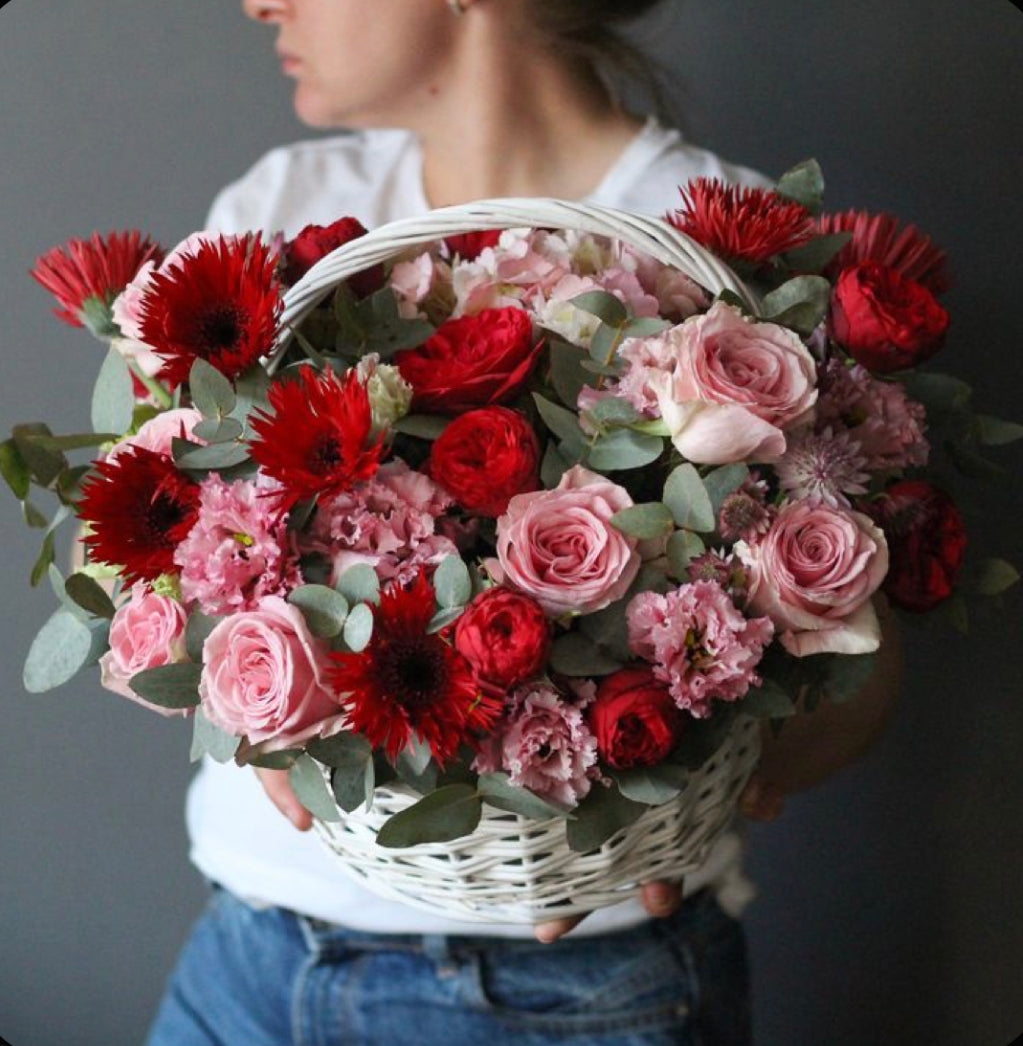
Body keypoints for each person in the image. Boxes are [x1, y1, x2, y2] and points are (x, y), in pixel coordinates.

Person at [144, 1, 902, 1043]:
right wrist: (247, 700)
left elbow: (865, 653)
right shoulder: (282, 210)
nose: (259, 2)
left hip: (570, 991)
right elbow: (164, 548)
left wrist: (672, 783)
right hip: (249, 950)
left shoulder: (723, 238)